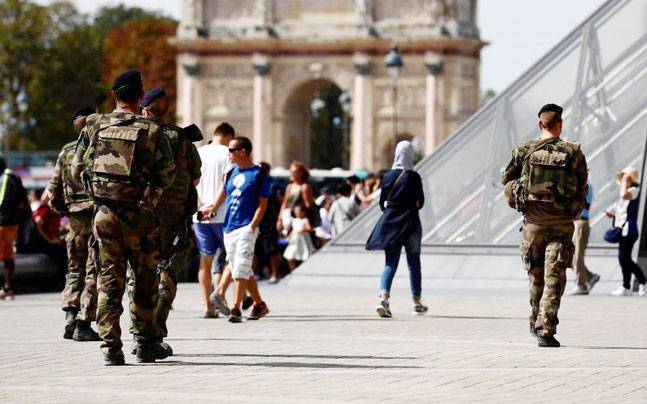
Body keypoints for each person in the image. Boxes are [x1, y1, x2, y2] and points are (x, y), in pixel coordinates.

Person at [72, 70, 176, 365]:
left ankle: (110, 348)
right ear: (141, 95)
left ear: (114, 94)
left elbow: (76, 169)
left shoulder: (94, 124)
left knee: (109, 280)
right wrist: (147, 202)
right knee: (143, 280)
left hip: (104, 215)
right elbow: (166, 173)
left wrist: (98, 198)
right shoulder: (152, 130)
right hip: (139, 215)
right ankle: (144, 344)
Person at [501, 103, 588, 348]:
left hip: (533, 226)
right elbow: (583, 186)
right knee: (554, 279)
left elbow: (505, 179)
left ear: (540, 124)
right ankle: (546, 328)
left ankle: (534, 319)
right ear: (560, 123)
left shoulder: (525, 150)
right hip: (561, 225)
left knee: (536, 277)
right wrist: (572, 210)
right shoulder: (573, 153)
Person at [140, 88, 202, 354]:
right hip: (173, 216)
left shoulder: (137, 134)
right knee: (168, 273)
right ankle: (154, 333)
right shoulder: (181, 139)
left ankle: (140, 335)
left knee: (139, 274)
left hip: (142, 214)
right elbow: (196, 177)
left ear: (145, 111)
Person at [48, 106, 101, 341]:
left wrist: (67, 212)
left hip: (75, 219)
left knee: (74, 268)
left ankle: (70, 311)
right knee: (94, 269)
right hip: (98, 216)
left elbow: (53, 193)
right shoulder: (100, 149)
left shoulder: (66, 152)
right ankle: (84, 322)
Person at [210, 136, 270, 323]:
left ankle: (236, 307)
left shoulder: (259, 174)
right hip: (229, 227)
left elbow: (262, 204)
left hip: (246, 227)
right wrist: (211, 210)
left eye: (231, 150)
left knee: (242, 266)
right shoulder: (231, 173)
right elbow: (223, 194)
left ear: (242, 151)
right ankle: (259, 304)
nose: (228, 153)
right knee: (238, 266)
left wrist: (253, 225)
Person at [366, 141, 427, 318]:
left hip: (392, 226)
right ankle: (416, 303)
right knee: (413, 264)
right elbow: (420, 202)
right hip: (411, 224)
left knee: (390, 263)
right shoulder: (414, 177)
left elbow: (382, 203)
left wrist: (393, 210)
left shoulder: (387, 177)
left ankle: (383, 298)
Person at [193, 122, 234, 318]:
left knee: (205, 261)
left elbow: (192, 183)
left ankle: (207, 307)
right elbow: (226, 185)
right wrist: (214, 208)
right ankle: (219, 294)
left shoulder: (200, 153)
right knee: (230, 258)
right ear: (228, 137)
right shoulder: (228, 153)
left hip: (200, 216)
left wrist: (202, 207)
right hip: (223, 214)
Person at [605, 166, 646, 296]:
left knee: (625, 259)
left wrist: (625, 183)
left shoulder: (634, 190)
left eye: (624, 177)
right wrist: (612, 214)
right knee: (624, 258)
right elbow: (620, 209)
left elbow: (624, 195)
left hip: (630, 230)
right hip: (623, 230)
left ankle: (642, 283)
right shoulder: (628, 190)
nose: (622, 179)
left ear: (630, 178)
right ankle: (626, 286)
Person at [0, 157, 29, 300]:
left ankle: (6, 287)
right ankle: (7, 288)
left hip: (3, 222)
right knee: (7, 254)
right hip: (11, 223)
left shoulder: (6, 177)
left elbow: (2, 199)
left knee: (5, 254)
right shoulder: (14, 176)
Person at [568, 183, 600, 295]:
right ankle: (590, 277)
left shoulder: (584, 185)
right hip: (574, 222)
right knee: (569, 256)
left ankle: (581, 285)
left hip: (580, 222)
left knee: (577, 255)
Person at [254, 162, 282, 283]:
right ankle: (255, 273)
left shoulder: (274, 184)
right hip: (254, 220)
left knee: (271, 248)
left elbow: (281, 202)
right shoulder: (253, 182)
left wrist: (280, 218)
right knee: (254, 248)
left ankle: (275, 274)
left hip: (270, 220)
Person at [277, 161, 313, 237]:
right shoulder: (289, 187)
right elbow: (285, 204)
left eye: (294, 172)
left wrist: (302, 220)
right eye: (291, 172)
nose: (291, 174)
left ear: (300, 173)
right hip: (289, 219)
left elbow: (308, 206)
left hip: (299, 220)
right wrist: (280, 219)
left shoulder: (304, 187)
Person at [283, 202, 316, 271]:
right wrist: (289, 236)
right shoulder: (294, 220)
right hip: (294, 242)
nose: (296, 213)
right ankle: (293, 271)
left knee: (304, 256)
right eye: (295, 211)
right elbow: (293, 230)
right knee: (290, 256)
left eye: (298, 211)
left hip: (303, 241)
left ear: (303, 212)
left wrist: (303, 230)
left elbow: (309, 229)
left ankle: (304, 271)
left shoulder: (305, 220)